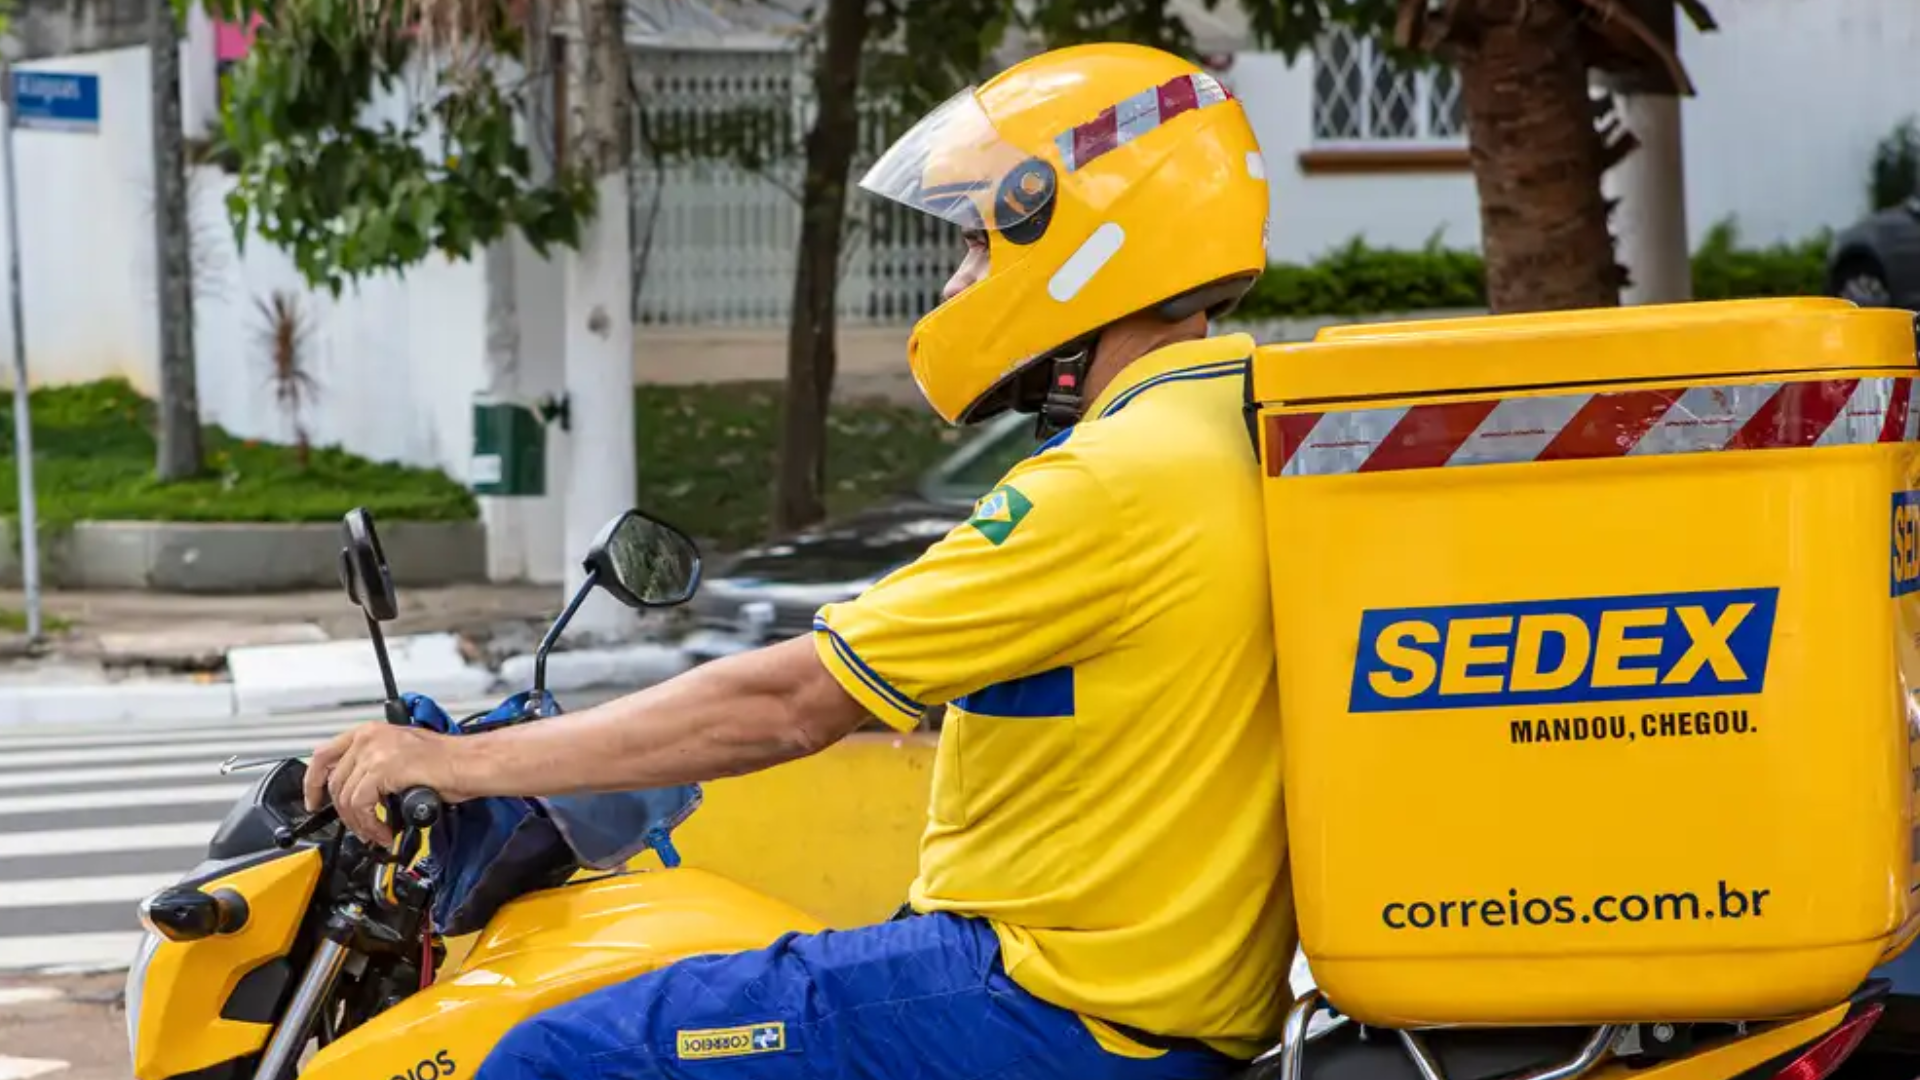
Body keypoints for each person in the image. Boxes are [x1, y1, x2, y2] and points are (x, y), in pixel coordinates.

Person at [303, 40, 1293, 1080]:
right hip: (1150, 998)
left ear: (1088, 239)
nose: (959, 282)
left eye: (977, 248)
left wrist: (460, 765)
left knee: (557, 1055)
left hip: (1048, 1003)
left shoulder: (1107, 481)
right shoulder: (1238, 428)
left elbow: (791, 704)